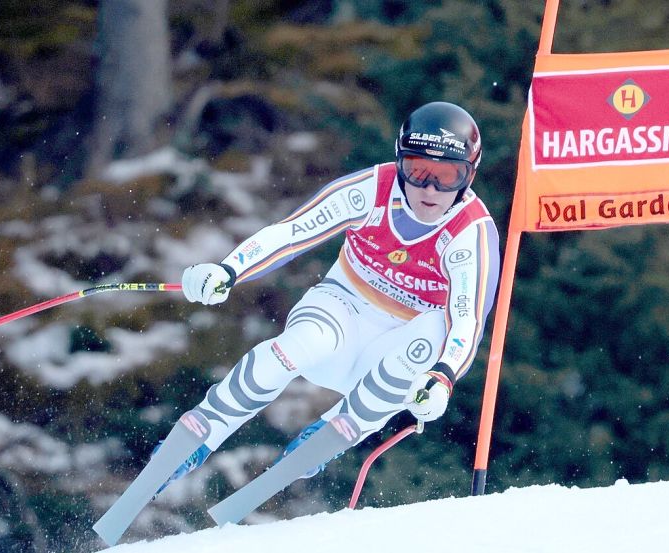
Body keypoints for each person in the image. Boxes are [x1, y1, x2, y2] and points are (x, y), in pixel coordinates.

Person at [159, 101, 500, 492]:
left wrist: (443, 377)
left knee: (436, 327)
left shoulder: (470, 233)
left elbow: (467, 320)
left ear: (469, 176)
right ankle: (204, 430)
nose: (429, 189)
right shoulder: (372, 189)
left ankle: (330, 433)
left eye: (447, 176)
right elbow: (292, 233)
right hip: (341, 316)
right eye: (417, 170)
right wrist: (228, 270)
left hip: (395, 355)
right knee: (300, 343)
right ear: (399, 161)